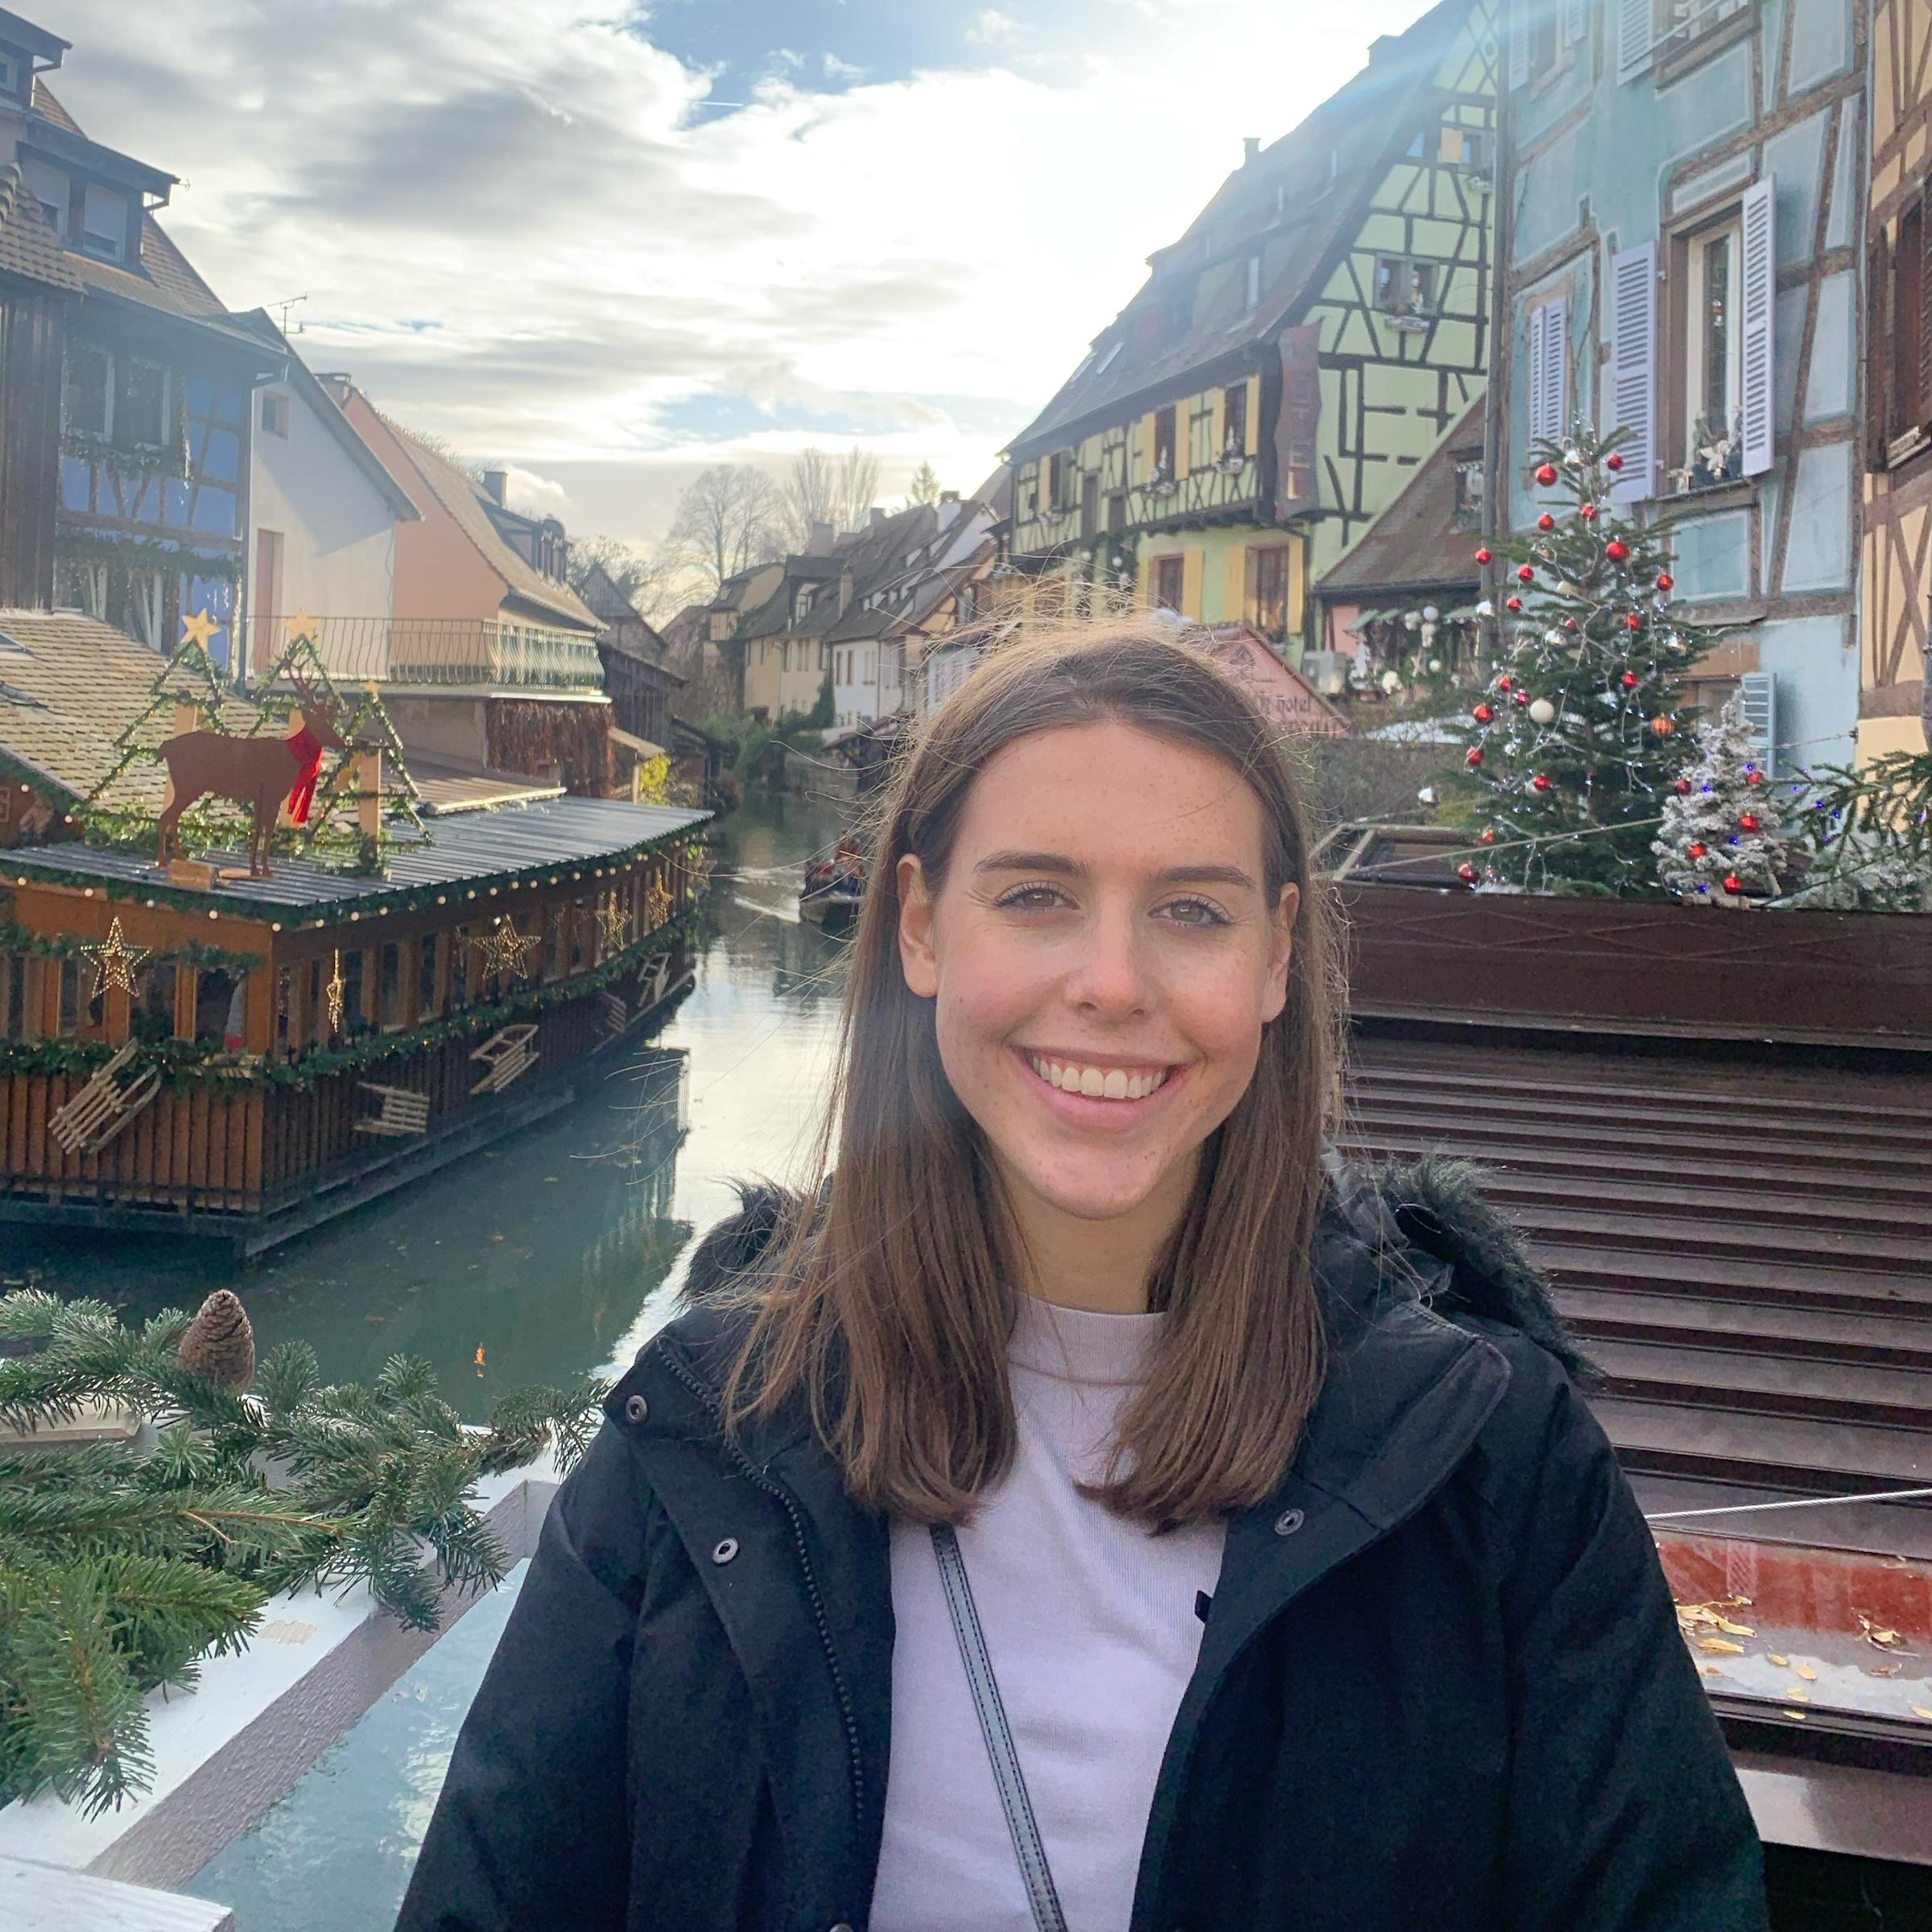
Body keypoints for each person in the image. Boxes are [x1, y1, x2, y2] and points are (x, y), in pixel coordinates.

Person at [397, 622, 1766, 1932]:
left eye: (1190, 910)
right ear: (923, 929)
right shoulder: (709, 1423)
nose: (1112, 984)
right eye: (1039, 897)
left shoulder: (1493, 1465)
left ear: (1278, 957)